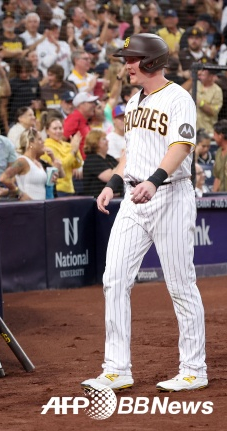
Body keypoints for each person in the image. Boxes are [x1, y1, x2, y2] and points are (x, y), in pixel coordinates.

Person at [82, 33, 207, 393]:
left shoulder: (178, 98)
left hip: (169, 194)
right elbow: (130, 153)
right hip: (134, 196)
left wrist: (153, 180)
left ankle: (193, 369)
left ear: (150, 62)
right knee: (114, 279)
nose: (127, 65)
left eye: (132, 59)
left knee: (180, 284)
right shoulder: (134, 101)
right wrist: (113, 182)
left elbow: (181, 146)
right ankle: (117, 368)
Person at [0, 128, 62, 200]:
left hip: (41, 207)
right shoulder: (22, 161)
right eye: (39, 139)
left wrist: (52, 178)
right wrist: (19, 193)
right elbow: (4, 178)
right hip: (28, 207)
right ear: (31, 143)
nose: (43, 142)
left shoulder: (38, 163)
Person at [41, 117, 82, 197]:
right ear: (47, 131)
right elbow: (61, 166)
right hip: (57, 189)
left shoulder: (67, 145)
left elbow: (78, 164)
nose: (58, 131)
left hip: (70, 188)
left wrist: (76, 151)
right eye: (55, 128)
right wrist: (73, 151)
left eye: (60, 128)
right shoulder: (46, 146)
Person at [81, 130, 122, 197]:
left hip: (116, 198)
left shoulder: (109, 158)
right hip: (97, 201)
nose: (107, 141)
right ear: (95, 142)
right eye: (104, 139)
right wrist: (123, 161)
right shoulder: (92, 160)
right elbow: (110, 177)